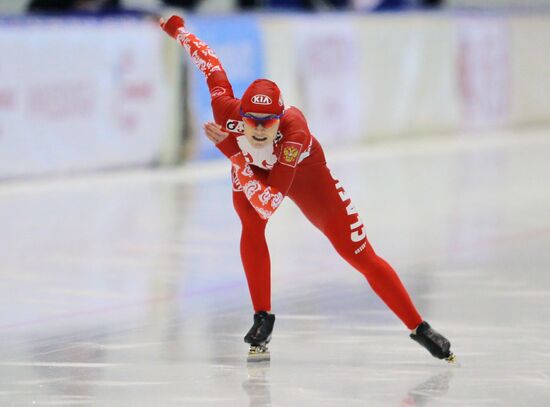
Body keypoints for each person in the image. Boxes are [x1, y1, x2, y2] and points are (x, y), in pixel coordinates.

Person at [160, 15, 455, 362]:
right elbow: (210, 63)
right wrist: (179, 31)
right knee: (250, 226)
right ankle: (262, 318)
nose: (257, 129)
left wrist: (232, 152)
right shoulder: (227, 111)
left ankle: (419, 327)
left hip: (304, 175)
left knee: (358, 255)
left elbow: (270, 200)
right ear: (241, 114)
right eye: (251, 121)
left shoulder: (293, 133)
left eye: (266, 123)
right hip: (252, 167)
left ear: (279, 119)